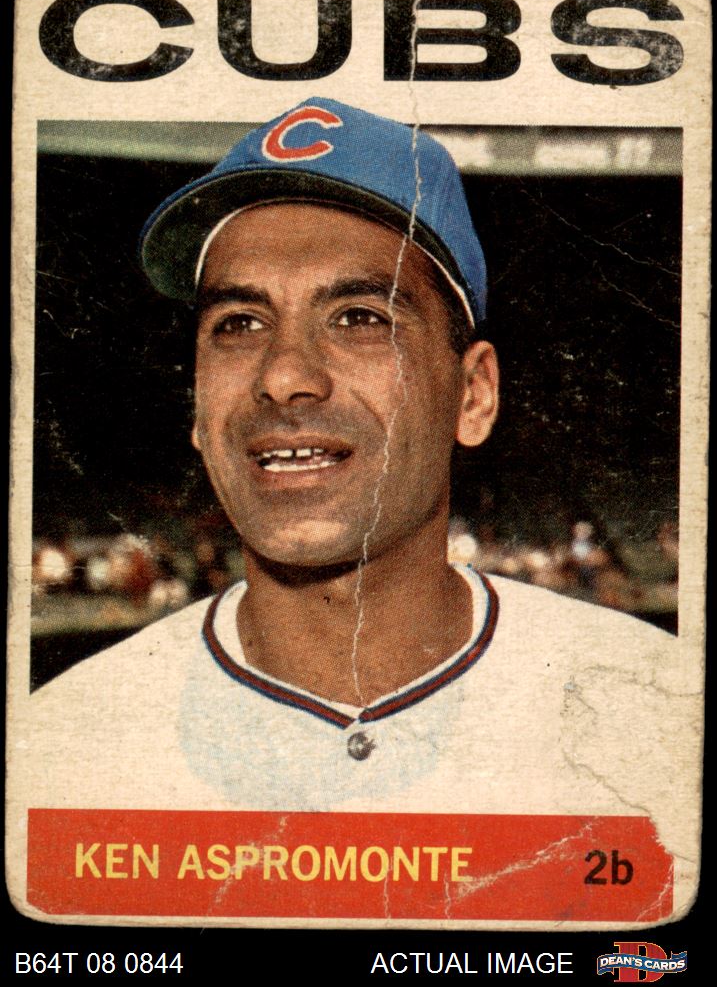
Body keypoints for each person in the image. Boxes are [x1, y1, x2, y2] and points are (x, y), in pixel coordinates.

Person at [26, 100, 696, 891]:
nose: (283, 376)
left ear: (472, 395)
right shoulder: (63, 742)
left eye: (357, 317)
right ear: (198, 413)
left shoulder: (655, 711)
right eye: (239, 323)